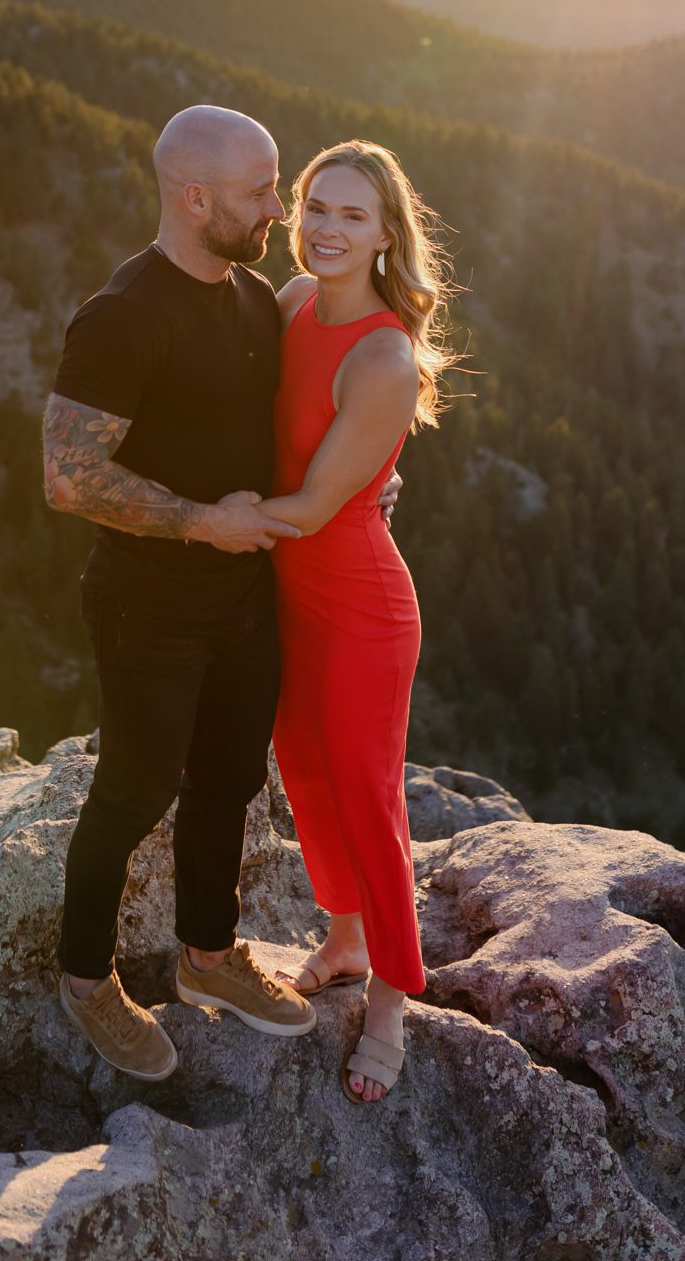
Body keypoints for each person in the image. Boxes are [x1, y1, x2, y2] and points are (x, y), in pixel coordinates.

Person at [41, 105, 399, 1081]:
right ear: (195, 198)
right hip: (148, 602)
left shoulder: (255, 299)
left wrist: (370, 480)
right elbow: (67, 476)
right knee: (133, 788)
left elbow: (319, 407)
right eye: (258, 191)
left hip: (247, 597)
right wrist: (200, 518)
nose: (278, 208)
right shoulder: (123, 315)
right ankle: (85, 979)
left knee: (229, 781)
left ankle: (207, 953)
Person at [258, 139, 456, 1105]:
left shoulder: (383, 353)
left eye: (349, 216)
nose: (325, 230)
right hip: (287, 593)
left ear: (385, 235)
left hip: (356, 604)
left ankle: (390, 1002)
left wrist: (179, 518)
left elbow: (305, 507)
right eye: (313, 208)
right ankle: (342, 936)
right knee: (302, 764)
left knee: (368, 794)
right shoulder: (292, 304)